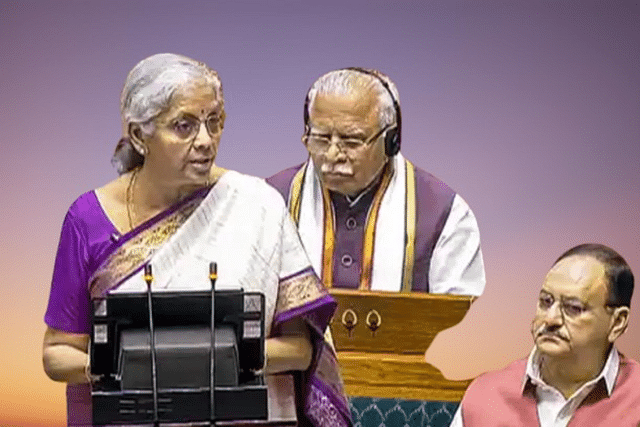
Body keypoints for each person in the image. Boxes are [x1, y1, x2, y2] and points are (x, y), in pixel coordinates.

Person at [42, 53, 352, 427]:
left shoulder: (258, 204)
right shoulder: (87, 220)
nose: (206, 141)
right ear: (139, 135)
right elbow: (58, 354)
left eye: (214, 122)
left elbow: (301, 351)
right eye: (184, 126)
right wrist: (135, 367)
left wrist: (198, 362)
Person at [267, 68, 485, 294]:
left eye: (351, 141)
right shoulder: (267, 201)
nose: (332, 155)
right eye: (321, 139)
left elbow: (459, 319)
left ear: (391, 141)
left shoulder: (445, 214)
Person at [451, 243, 640, 426]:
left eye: (573, 308)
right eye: (545, 301)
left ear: (617, 322)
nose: (550, 319)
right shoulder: (486, 395)